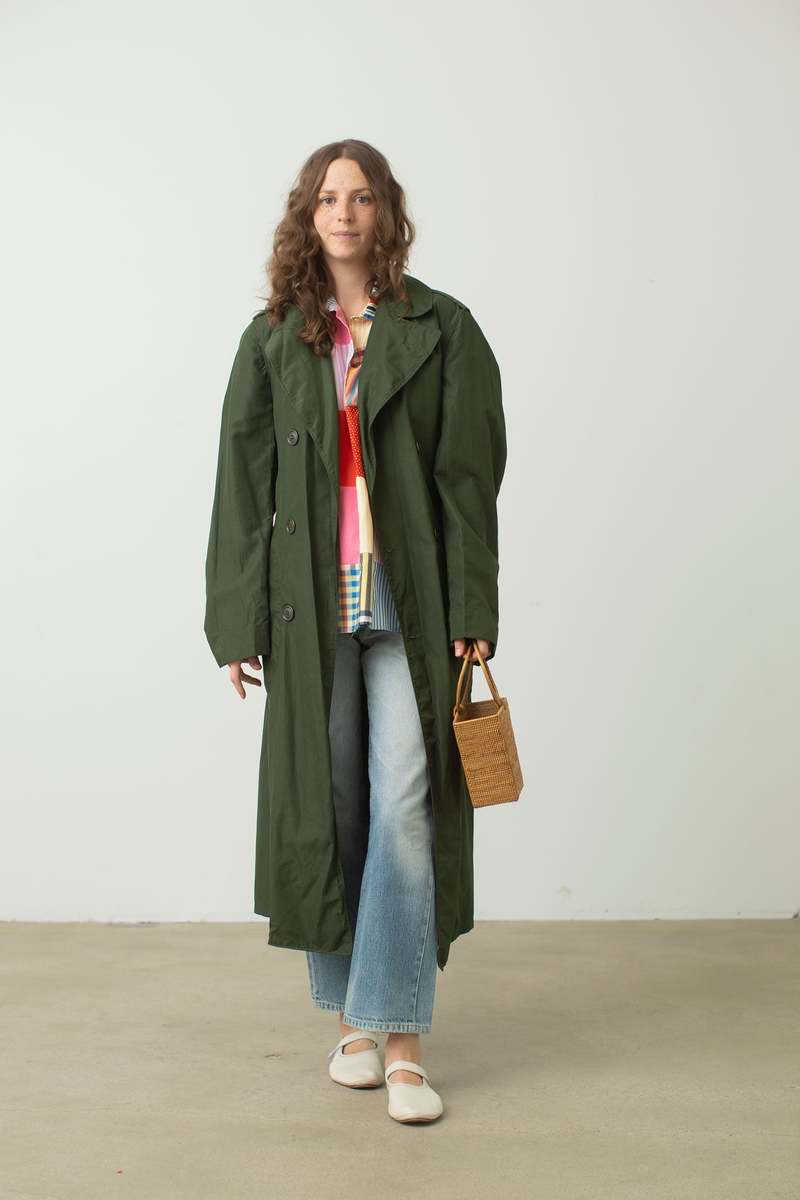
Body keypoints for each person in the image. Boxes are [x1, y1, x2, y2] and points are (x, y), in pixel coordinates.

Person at [204, 139, 507, 1125]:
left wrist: (472, 610)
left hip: (409, 606)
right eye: (328, 197)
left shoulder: (442, 329)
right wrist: (236, 620)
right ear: (309, 213)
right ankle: (351, 1027)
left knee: (406, 809)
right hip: (309, 609)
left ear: (386, 213)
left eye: (362, 196)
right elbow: (241, 485)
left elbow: (468, 481)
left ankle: (402, 1040)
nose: (343, 211)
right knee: (329, 811)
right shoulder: (273, 339)